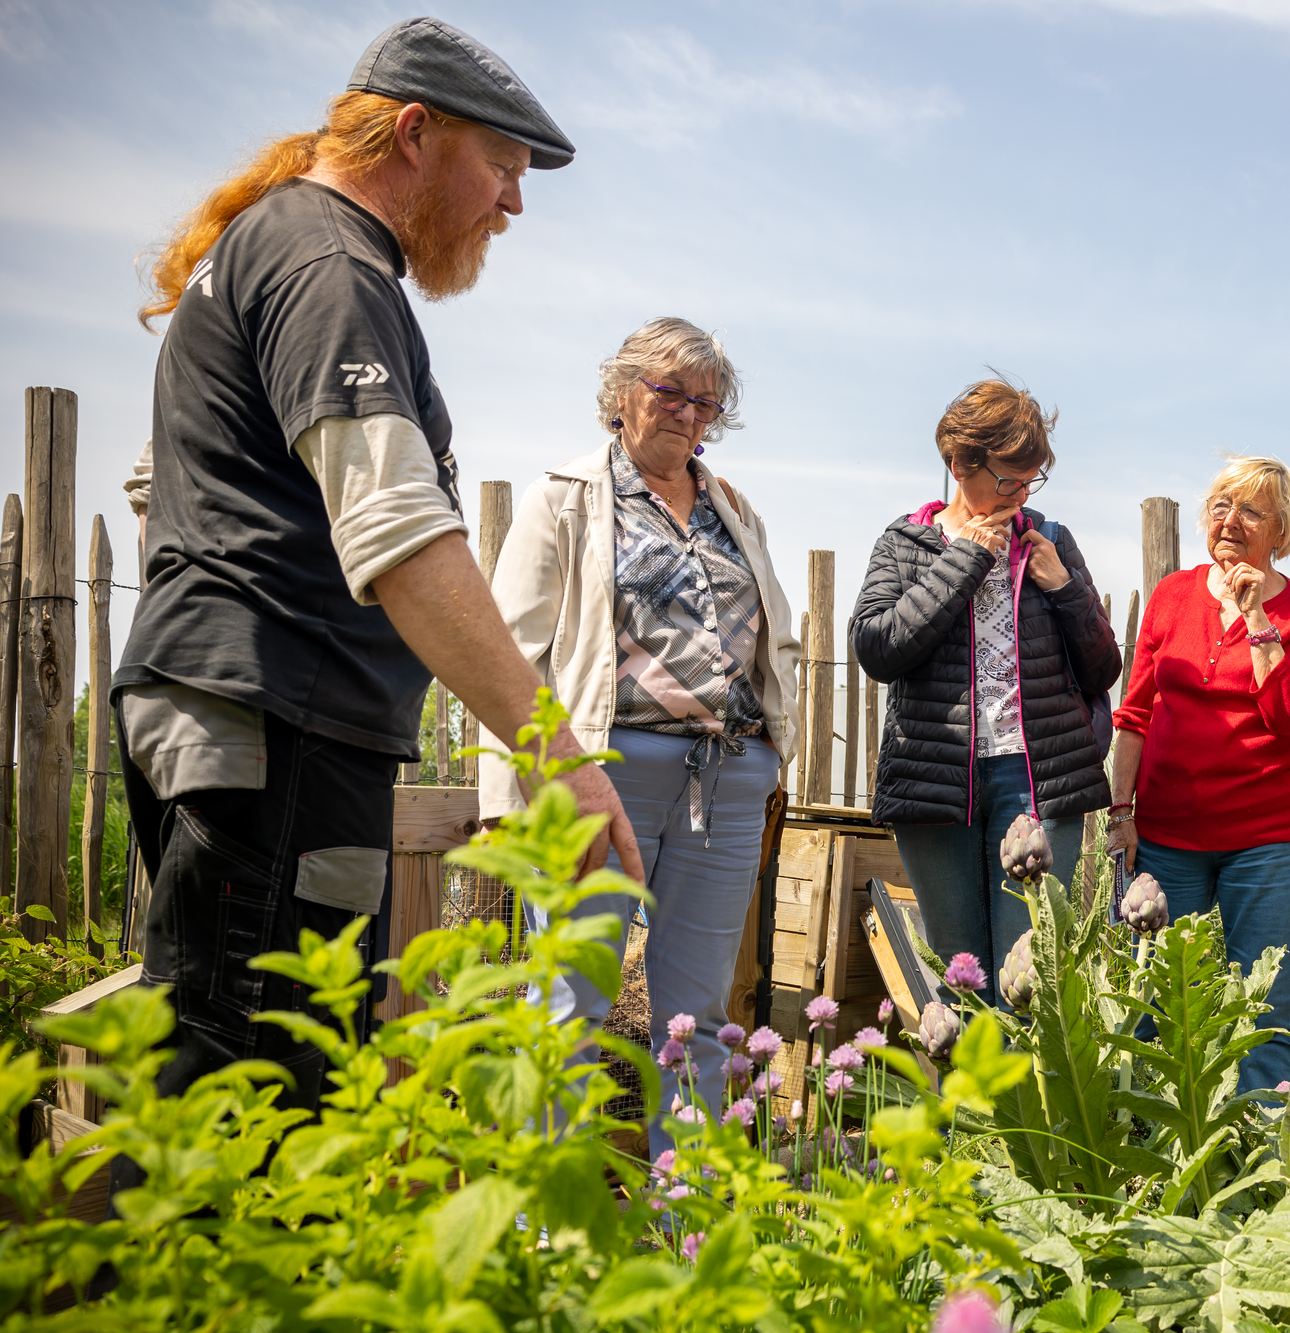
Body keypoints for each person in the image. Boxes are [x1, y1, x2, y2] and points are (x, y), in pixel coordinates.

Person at [112, 18, 640, 1115]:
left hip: (246, 713)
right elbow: (398, 532)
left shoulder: (276, 247)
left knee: (231, 1059)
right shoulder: (329, 262)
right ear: (414, 134)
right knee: (257, 1092)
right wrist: (561, 760)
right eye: (500, 165)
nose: (513, 202)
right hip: (278, 722)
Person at [479, 319, 799, 1140]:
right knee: (572, 1000)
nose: (689, 414)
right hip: (600, 775)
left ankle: (682, 1224)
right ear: (621, 396)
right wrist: (509, 800)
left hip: (725, 782)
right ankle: (549, 1228)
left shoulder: (733, 509)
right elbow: (513, 653)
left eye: (706, 402)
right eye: (670, 393)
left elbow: (777, 634)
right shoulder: (567, 496)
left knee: (698, 1017)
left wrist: (773, 751)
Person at [850, 379, 1122, 1000]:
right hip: (936, 780)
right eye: (1006, 480)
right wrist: (963, 561)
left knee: (1032, 981)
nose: (1020, 495)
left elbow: (1103, 668)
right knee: (961, 976)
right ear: (958, 464)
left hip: (1039, 779)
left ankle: (1030, 1101)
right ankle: (972, 1101)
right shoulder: (906, 542)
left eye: (1031, 480)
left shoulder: (1050, 539)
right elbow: (877, 648)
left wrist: (1065, 587)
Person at [1104, 457, 1290, 1092]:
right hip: (1167, 837)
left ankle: (1263, 1165)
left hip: (1269, 841)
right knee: (1154, 1002)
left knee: (1262, 1009)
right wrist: (1121, 815)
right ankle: (1149, 1154)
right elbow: (1136, 713)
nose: (1230, 521)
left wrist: (1257, 617)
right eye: (1220, 507)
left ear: (1281, 530)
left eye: (1251, 511)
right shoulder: (1173, 595)